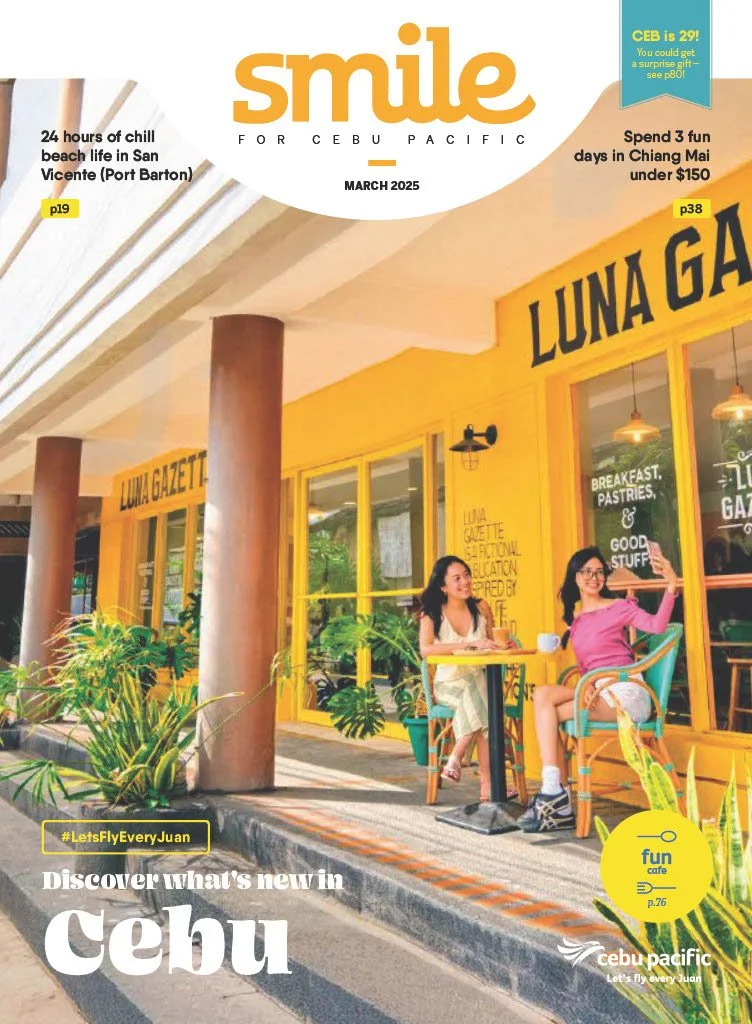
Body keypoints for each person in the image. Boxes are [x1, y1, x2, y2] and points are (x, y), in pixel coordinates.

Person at [518, 545, 678, 833]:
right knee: (543, 696)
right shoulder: (577, 620)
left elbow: (656, 626)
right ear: (575, 577)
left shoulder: (619, 607)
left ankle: (555, 795)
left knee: (550, 714)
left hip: (625, 691)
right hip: (594, 688)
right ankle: (555, 791)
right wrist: (588, 682)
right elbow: (590, 665)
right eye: (587, 572)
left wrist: (671, 585)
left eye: (599, 572)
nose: (594, 577)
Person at [418, 555, 510, 801]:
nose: (465, 582)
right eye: (457, 578)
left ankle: (457, 755)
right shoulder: (432, 614)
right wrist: (470, 644)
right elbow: (425, 650)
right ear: (443, 586)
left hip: (478, 682)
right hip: (448, 686)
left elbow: (490, 644)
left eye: (467, 575)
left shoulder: (481, 607)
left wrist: (501, 645)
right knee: (484, 697)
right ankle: (487, 786)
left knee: (481, 694)